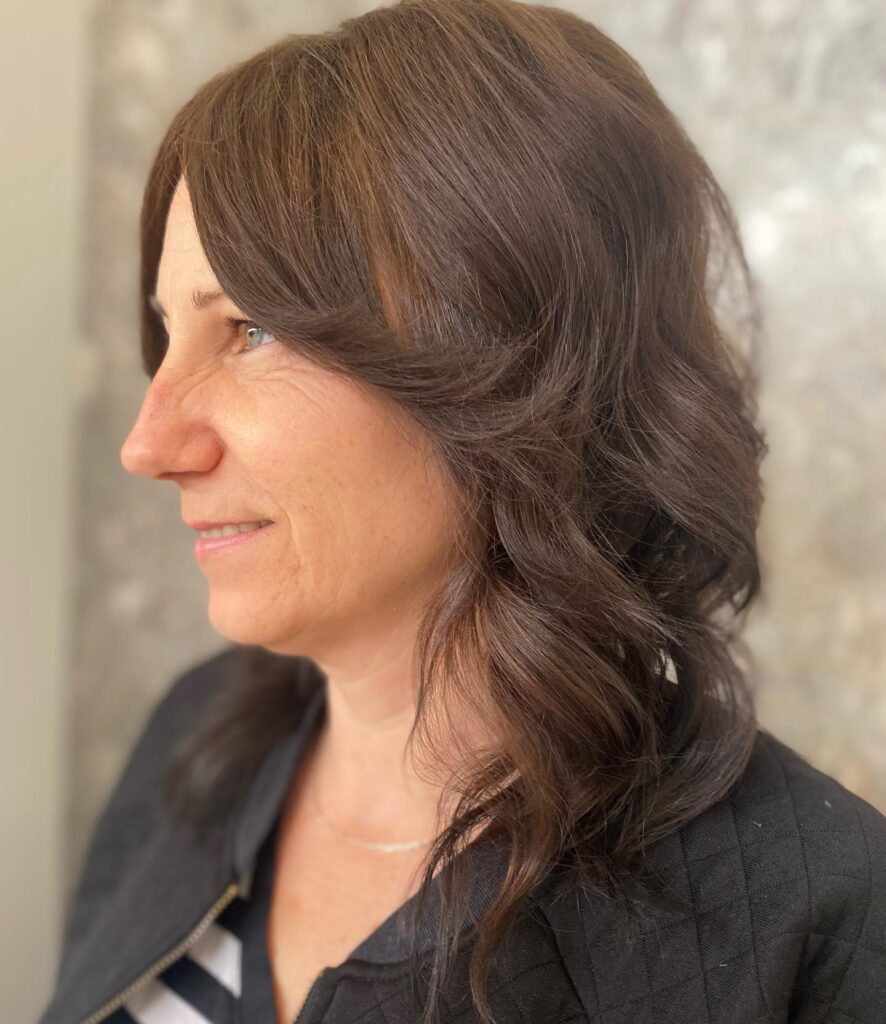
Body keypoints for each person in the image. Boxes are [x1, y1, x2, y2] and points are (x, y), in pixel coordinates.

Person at [39, 1, 886, 1022]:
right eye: (169, 333)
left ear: (507, 359)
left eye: (249, 328)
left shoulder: (812, 920)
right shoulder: (198, 736)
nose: (149, 444)